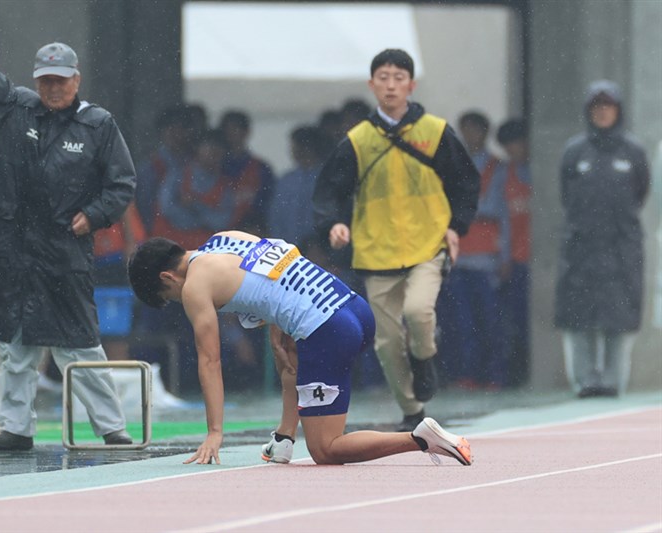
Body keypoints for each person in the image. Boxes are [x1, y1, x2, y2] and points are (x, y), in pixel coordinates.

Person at [0, 3, 136, 449]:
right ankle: (16, 429)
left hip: (64, 250)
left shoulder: (99, 124)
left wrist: (93, 217)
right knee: (16, 344)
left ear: (76, 80)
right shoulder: (15, 106)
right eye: (46, 80)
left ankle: (111, 428)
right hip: (13, 249)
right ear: (36, 79)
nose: (53, 87)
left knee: (78, 343)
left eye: (60, 80)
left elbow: (122, 185)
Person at [128, 231, 473, 466]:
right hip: (353, 308)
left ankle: (419, 438)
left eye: (168, 297)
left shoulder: (195, 285)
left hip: (329, 332)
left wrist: (215, 432)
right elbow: (280, 264)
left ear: (167, 278)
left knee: (325, 449)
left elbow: (210, 361)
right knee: (287, 354)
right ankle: (284, 439)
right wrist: (279, 328)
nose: (178, 300)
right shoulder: (226, 239)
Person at [313, 49, 480, 431]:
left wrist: (456, 226)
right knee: (386, 343)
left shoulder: (435, 131)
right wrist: (334, 224)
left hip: (427, 244)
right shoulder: (357, 140)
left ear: (411, 85)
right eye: (383, 78)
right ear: (372, 85)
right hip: (376, 250)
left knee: (420, 312)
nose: (391, 85)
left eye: (398, 77)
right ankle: (411, 411)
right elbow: (330, 190)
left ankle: (424, 358)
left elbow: (464, 182)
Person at [554, 80, 650, 398]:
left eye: (608, 106)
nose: (603, 112)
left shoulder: (633, 152)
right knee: (578, 316)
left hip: (621, 248)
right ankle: (584, 381)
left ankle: (611, 382)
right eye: (597, 106)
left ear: (618, 111)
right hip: (581, 246)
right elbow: (566, 195)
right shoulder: (574, 152)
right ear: (588, 111)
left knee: (617, 316)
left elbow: (641, 192)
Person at [437, 111, 508, 390]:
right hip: (459, 257)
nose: (470, 136)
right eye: (464, 130)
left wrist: (504, 257)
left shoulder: (497, 168)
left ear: (485, 132)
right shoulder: (452, 166)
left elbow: (499, 212)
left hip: (487, 258)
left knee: (490, 321)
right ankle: (466, 374)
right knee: (461, 322)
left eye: (474, 130)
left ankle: (494, 375)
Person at [494, 118, 532, 387]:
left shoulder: (541, 170)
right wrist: (504, 257)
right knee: (516, 321)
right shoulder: (503, 175)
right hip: (516, 260)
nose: (513, 150)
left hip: (540, 261)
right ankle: (517, 374)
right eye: (507, 146)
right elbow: (501, 220)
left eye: (516, 144)